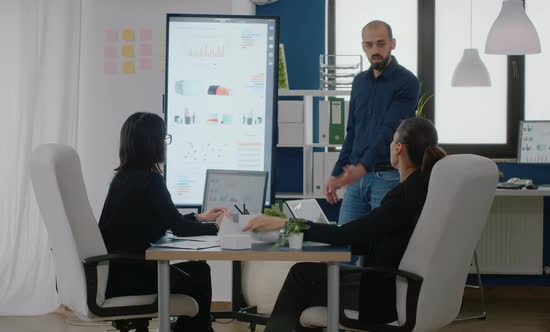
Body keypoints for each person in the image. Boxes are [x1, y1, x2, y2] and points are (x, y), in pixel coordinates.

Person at [243, 117, 446, 331]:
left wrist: (285, 223)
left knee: (302, 275)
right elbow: (371, 238)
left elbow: (348, 234)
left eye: (392, 139)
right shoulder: (425, 190)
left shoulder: (402, 197)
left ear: (398, 148)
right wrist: (325, 237)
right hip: (400, 286)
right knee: (307, 280)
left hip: (380, 294)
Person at [99, 112, 226, 332]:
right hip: (133, 278)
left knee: (196, 271)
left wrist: (198, 217)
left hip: (116, 275)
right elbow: (179, 228)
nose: (165, 145)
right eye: (163, 138)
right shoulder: (151, 180)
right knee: (199, 272)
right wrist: (218, 227)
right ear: (153, 143)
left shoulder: (122, 179)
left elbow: (160, 220)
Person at [324, 20, 421, 228]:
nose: (375, 50)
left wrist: (360, 168)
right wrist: (336, 173)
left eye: (380, 43)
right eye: (369, 45)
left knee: (381, 249)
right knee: (345, 248)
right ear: (363, 46)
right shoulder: (359, 82)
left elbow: (388, 132)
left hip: (387, 177)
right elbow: (352, 132)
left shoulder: (408, 82)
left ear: (392, 43)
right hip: (356, 181)